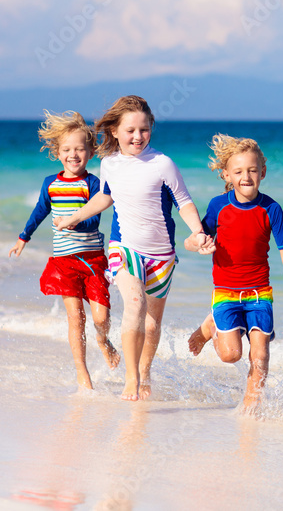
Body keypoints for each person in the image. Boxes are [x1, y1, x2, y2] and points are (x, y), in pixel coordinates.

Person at [55, 95, 214, 401]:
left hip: (162, 256)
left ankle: (145, 372)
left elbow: (184, 202)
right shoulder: (110, 164)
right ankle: (131, 378)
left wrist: (199, 232)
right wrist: (74, 217)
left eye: (144, 129)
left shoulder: (163, 164)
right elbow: (105, 197)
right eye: (130, 130)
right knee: (135, 305)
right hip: (125, 248)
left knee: (152, 325)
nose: (138, 136)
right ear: (114, 130)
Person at [187, 134, 283, 413]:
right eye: (239, 171)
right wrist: (197, 243)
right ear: (227, 174)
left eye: (253, 170)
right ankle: (210, 327)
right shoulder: (219, 206)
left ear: (263, 172)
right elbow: (193, 240)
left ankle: (250, 407)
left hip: (259, 293)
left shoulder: (271, 209)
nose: (246, 176)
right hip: (226, 292)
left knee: (261, 353)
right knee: (231, 355)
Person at [10, 110, 120, 391]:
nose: (74, 155)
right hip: (64, 261)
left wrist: (75, 224)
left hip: (93, 259)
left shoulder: (93, 183)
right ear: (57, 152)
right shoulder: (51, 183)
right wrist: (24, 237)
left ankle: (103, 340)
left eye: (80, 149)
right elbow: (40, 211)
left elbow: (95, 218)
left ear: (90, 152)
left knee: (100, 318)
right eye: (67, 149)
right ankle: (82, 374)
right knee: (76, 318)